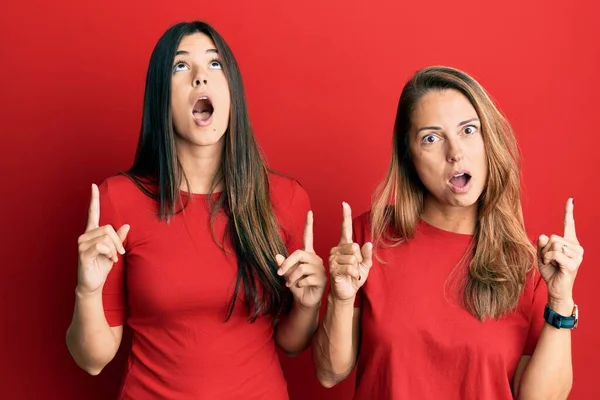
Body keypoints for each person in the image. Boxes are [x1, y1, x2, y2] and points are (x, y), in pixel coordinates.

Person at [66, 21, 326, 400]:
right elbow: (92, 359)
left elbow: (291, 343)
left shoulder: (284, 199)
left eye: (215, 64)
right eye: (181, 66)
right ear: (161, 97)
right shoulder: (119, 199)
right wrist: (87, 290)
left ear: (232, 90)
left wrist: (310, 303)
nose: (201, 78)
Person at [313, 66, 584, 399]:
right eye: (431, 137)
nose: (455, 152)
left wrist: (560, 299)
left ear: (489, 140)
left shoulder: (528, 265)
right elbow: (329, 372)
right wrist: (340, 298)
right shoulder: (368, 237)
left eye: (469, 130)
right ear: (409, 156)